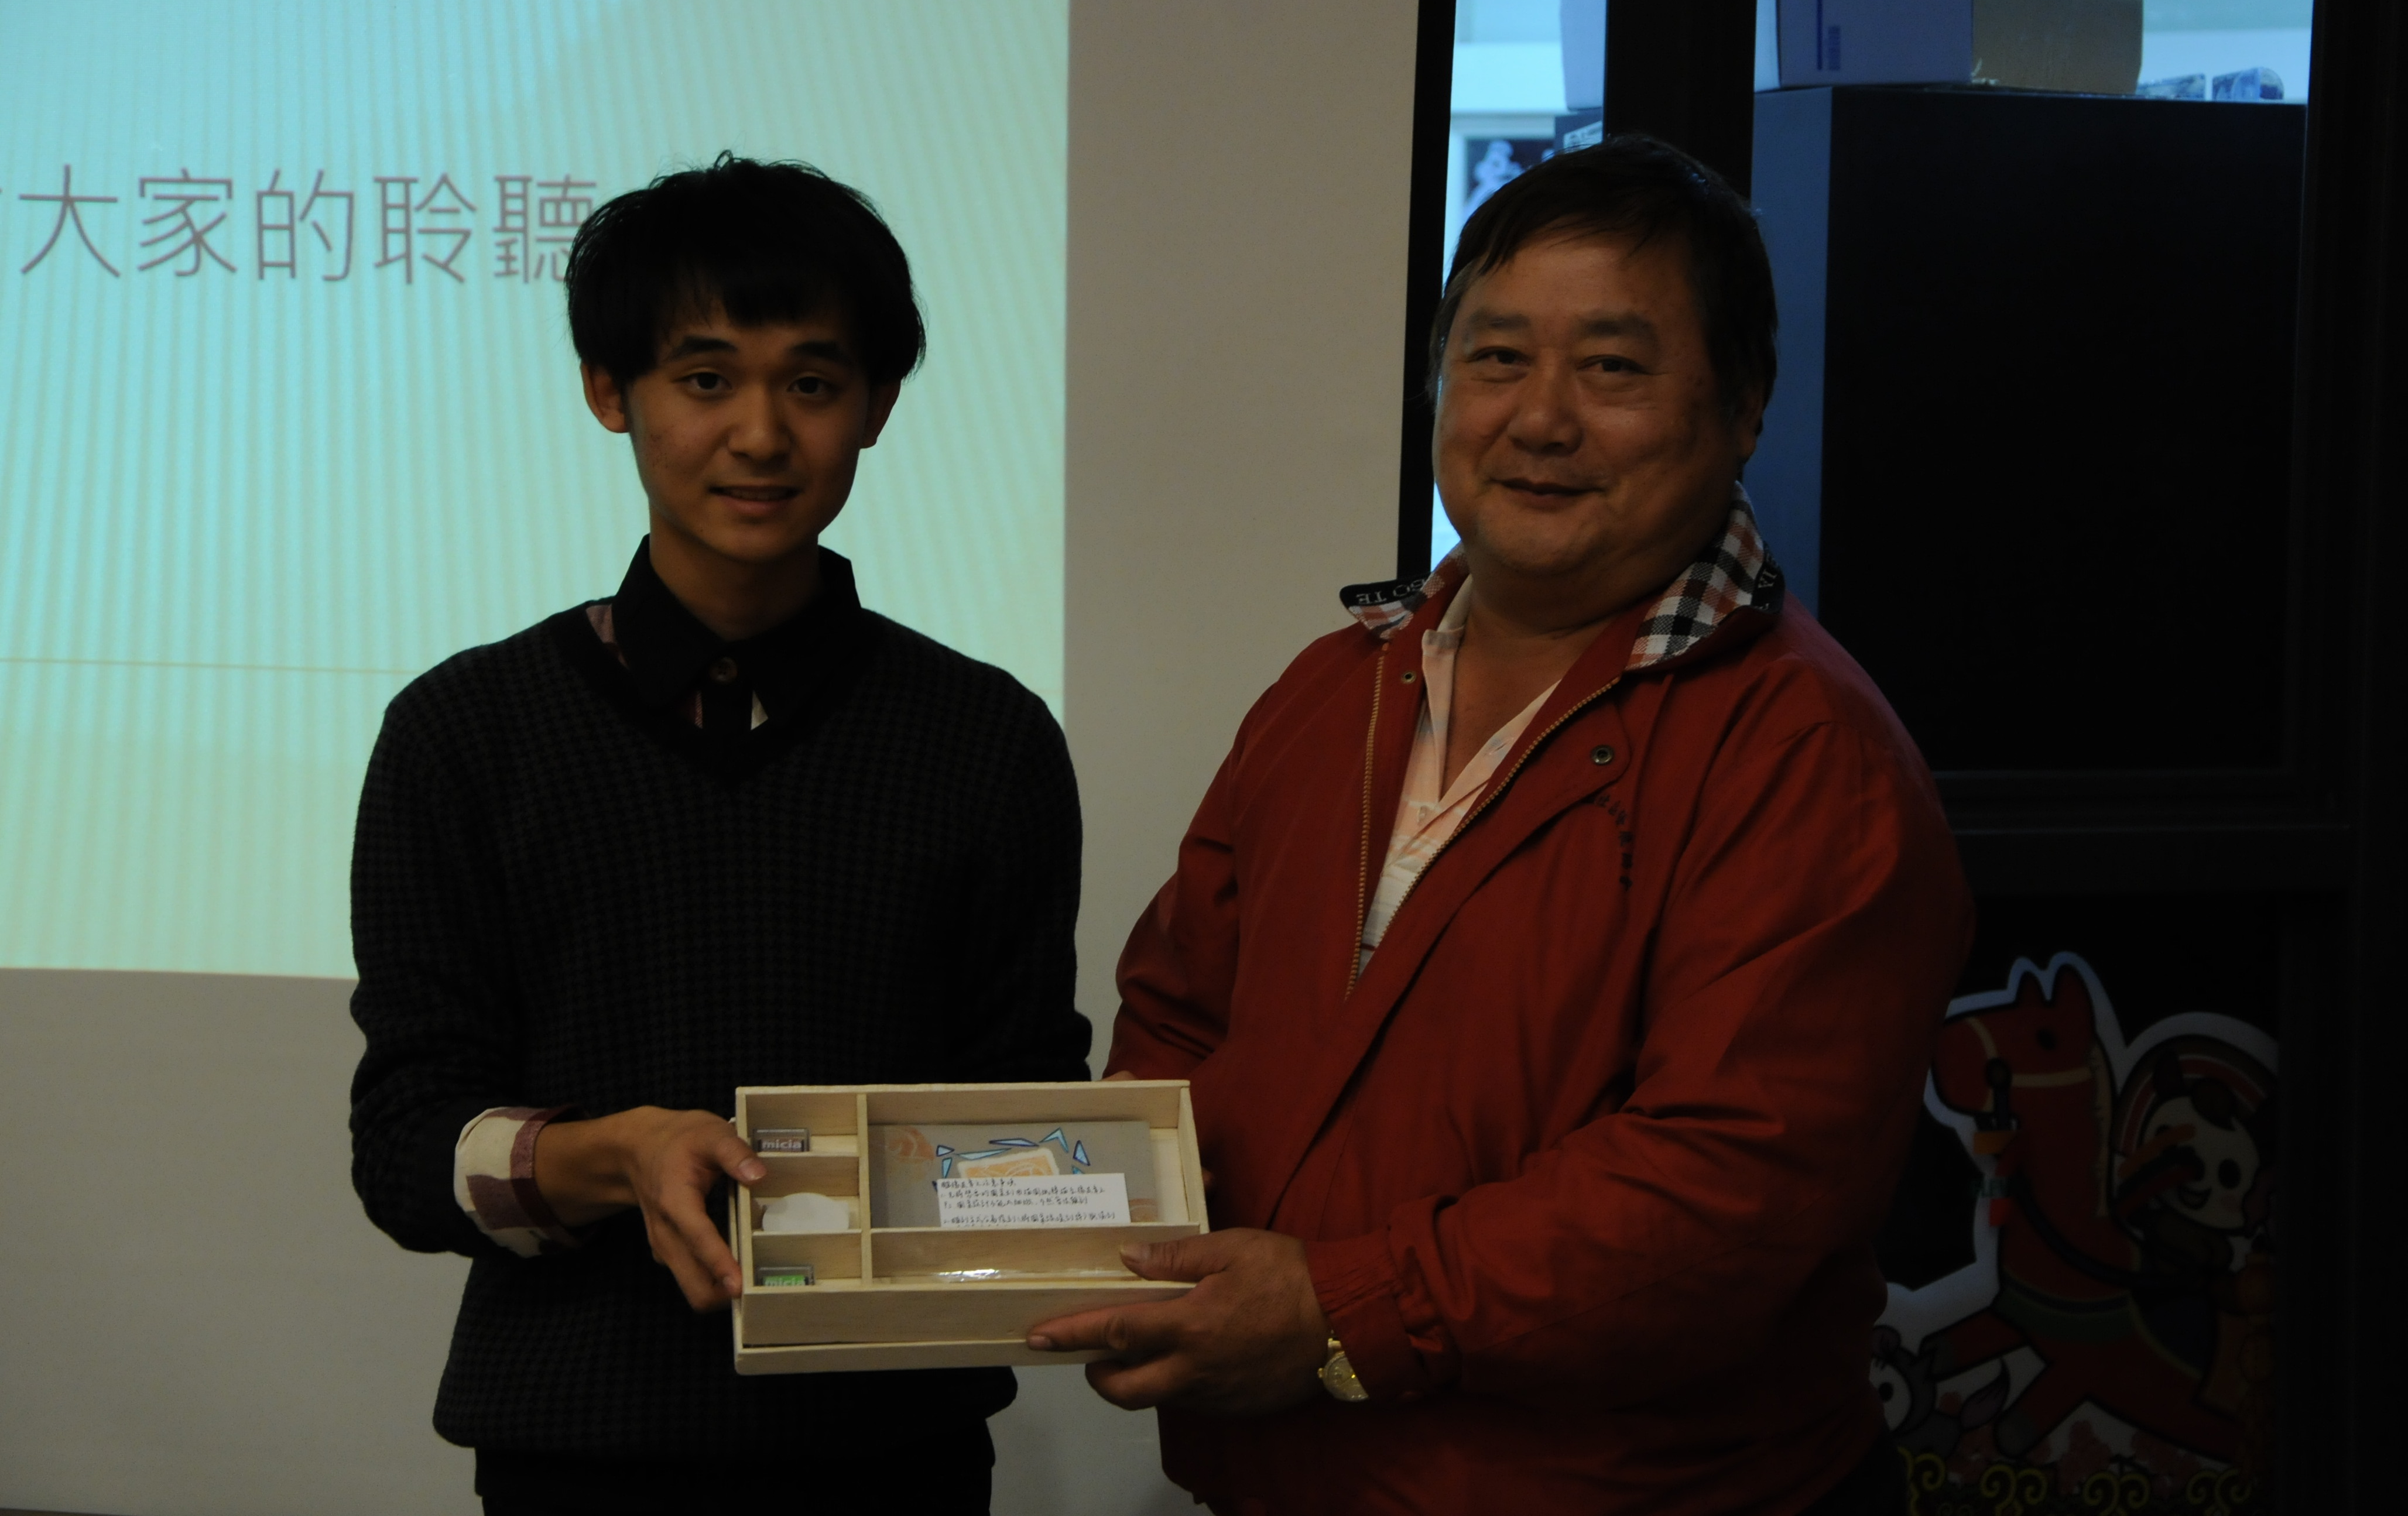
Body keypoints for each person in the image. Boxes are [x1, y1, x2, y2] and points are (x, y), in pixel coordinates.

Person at [1027, 136, 1973, 1513]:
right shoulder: (1333, 690)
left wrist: (1338, 1312)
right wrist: (1119, 1216)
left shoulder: (1802, 754)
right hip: (1293, 1474)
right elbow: (1177, 1014)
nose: (1538, 418)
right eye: (1494, 358)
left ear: (1742, 404)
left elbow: (1722, 1189)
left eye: (1611, 366)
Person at [348, 154, 1088, 1515]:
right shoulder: (464, 732)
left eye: (810, 382)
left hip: (893, 1461)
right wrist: (614, 1154)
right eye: (703, 378)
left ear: (876, 406)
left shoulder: (986, 739)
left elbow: (1024, 1101)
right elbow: (405, 1146)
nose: (759, 434)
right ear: (608, 390)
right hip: (575, 1457)